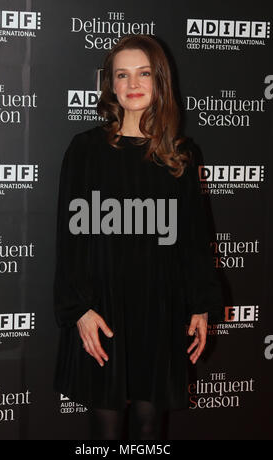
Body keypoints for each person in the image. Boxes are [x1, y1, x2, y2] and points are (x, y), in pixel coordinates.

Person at [53, 34, 224, 440]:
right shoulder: (86, 150)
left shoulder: (180, 154)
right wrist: (79, 309)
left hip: (159, 310)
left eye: (143, 73)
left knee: (150, 426)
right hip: (104, 309)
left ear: (159, 80)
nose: (133, 84)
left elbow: (194, 240)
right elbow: (69, 238)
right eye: (122, 75)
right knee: (106, 429)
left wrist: (201, 304)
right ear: (110, 85)